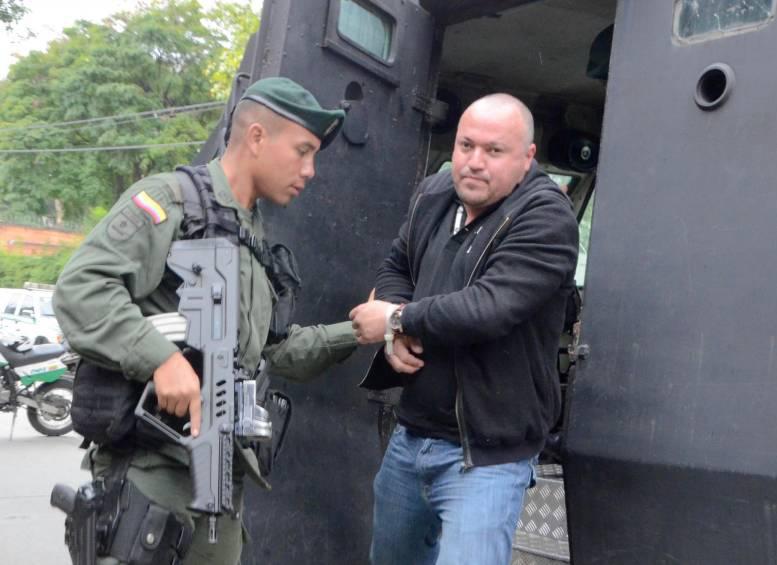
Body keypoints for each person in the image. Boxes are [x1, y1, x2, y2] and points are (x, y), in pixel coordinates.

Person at [53, 77, 358, 564]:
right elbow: (81, 290)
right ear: (256, 137)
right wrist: (162, 360)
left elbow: (274, 352)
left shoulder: (253, 239)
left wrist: (359, 332)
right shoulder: (171, 201)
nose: (310, 170)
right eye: (302, 151)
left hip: (218, 479)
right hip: (152, 471)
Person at [349, 93, 579, 565]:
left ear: (527, 157)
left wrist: (395, 319)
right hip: (411, 437)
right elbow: (397, 266)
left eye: (494, 151)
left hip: (487, 458)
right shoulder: (434, 194)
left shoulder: (546, 216)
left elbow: (488, 308)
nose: (474, 162)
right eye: (466, 145)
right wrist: (398, 329)